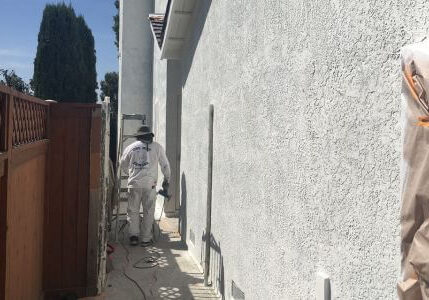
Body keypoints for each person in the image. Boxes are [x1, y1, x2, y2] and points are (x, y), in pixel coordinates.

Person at [120, 125, 171, 246]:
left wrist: (130, 173)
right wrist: (167, 179)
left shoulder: (130, 148)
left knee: (133, 211)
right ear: (149, 136)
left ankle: (133, 237)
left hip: (134, 184)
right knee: (148, 211)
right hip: (150, 185)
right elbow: (165, 165)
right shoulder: (157, 147)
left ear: (138, 137)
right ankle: (146, 239)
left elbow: (123, 164)